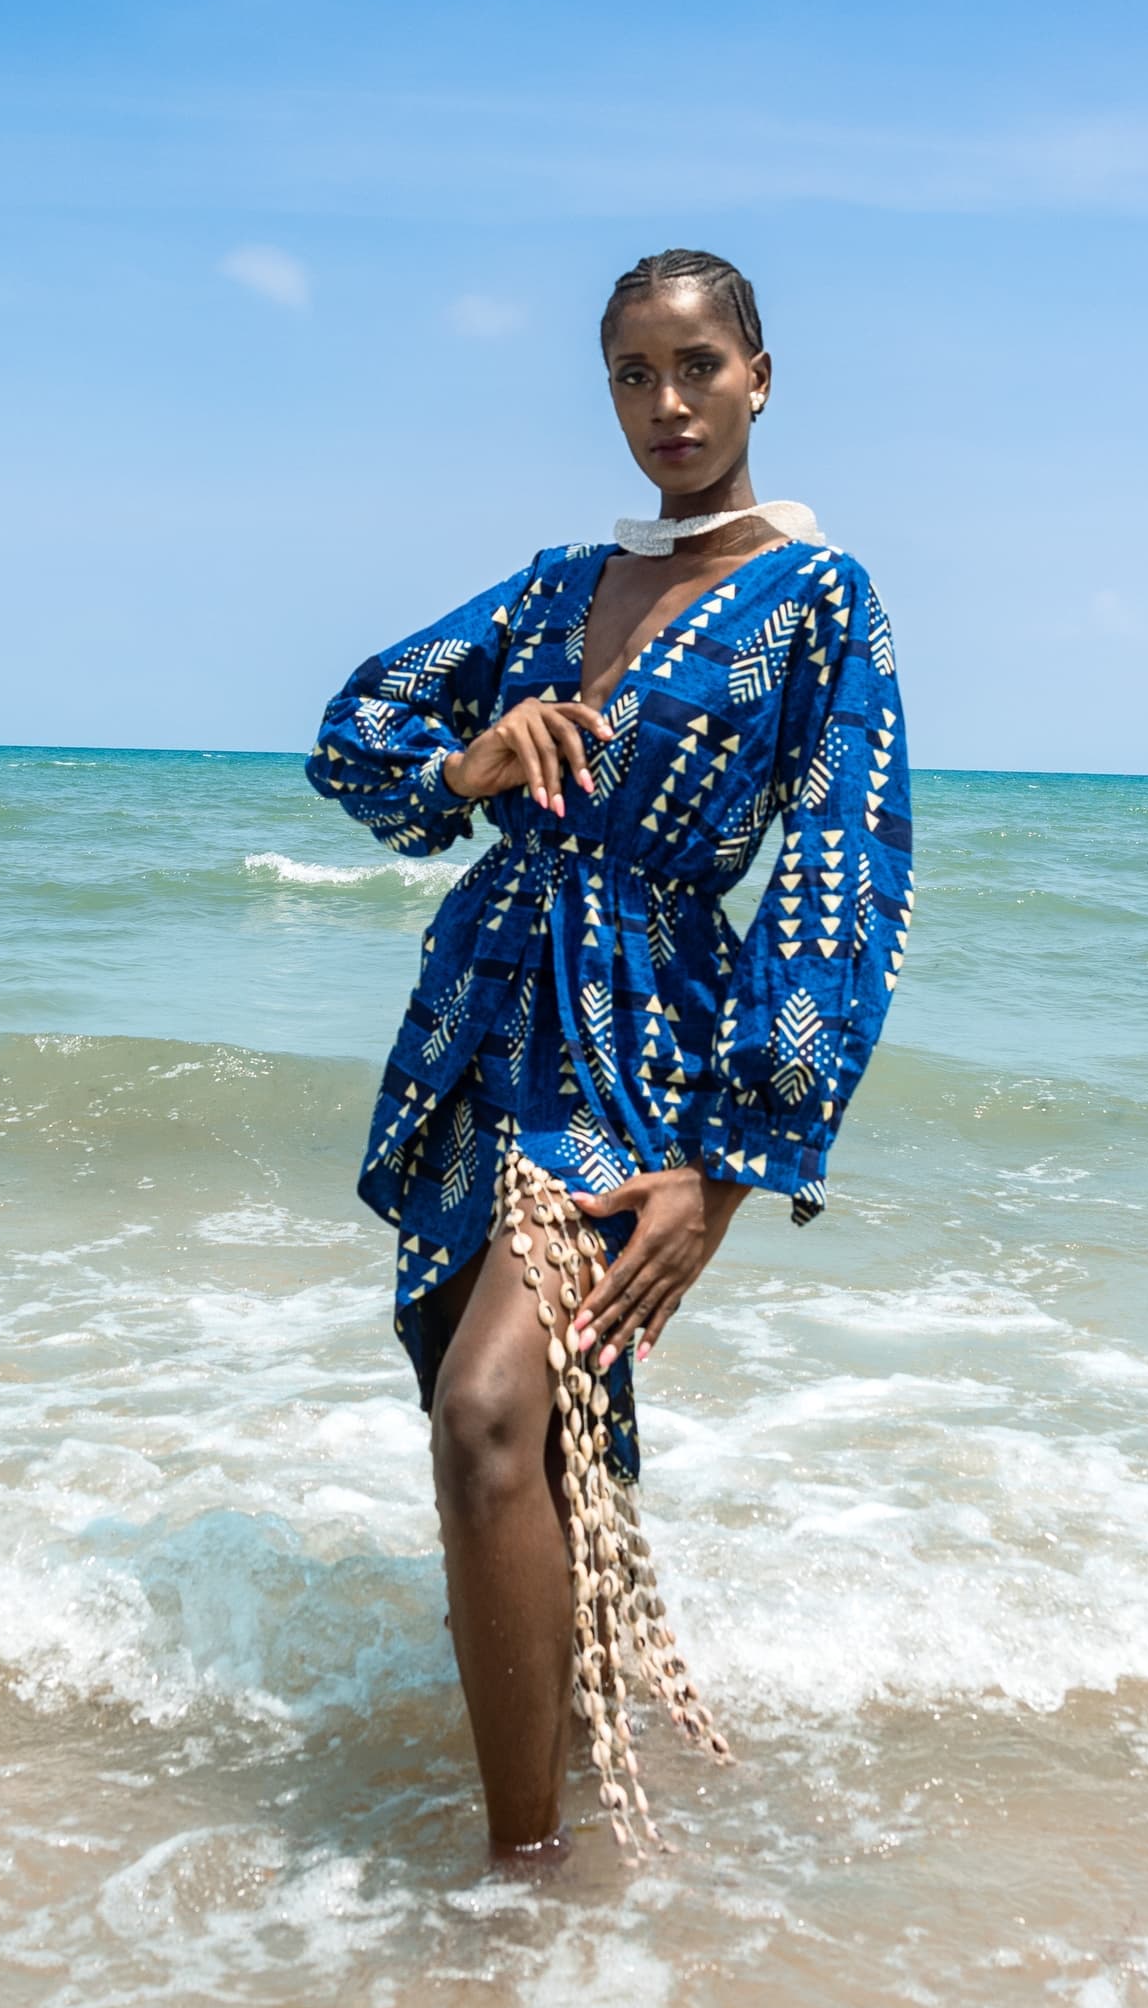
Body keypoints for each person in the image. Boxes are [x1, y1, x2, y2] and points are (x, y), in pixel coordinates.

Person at [306, 248, 912, 1859]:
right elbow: (353, 737)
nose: (668, 404)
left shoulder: (818, 600)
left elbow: (841, 883)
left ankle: (519, 1877)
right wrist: (472, 763)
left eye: (698, 365)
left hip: (641, 1040)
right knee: (504, 1430)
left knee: (487, 1412)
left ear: (759, 375)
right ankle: (570, 1780)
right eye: (633, 375)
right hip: (476, 1020)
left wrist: (730, 1168)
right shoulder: (553, 585)